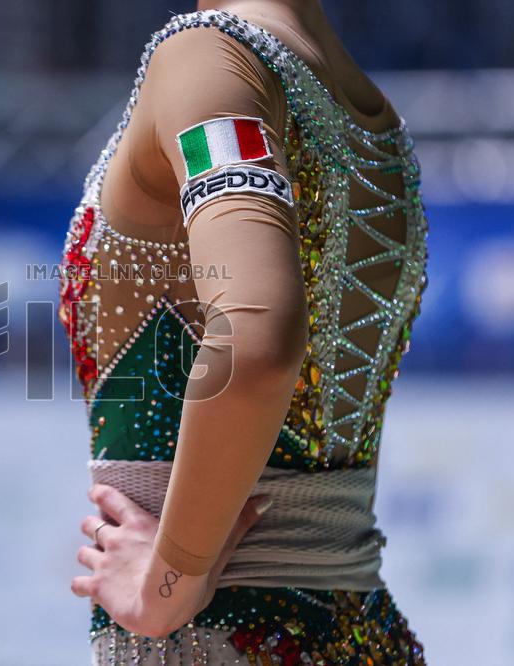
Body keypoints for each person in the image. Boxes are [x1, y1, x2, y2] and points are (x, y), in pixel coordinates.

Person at [58, 1, 429, 663]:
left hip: (215, 638)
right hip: (367, 637)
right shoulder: (367, 112)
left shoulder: (209, 62)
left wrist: (171, 582)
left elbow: (256, 339)